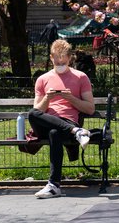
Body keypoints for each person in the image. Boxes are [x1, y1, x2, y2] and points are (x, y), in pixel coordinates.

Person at [28, 39, 94, 199]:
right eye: (57, 60)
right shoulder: (42, 79)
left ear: (70, 58)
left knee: (54, 133)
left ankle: (54, 185)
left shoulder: (81, 77)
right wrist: (48, 98)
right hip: (46, 122)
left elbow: (90, 109)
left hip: (66, 123)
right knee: (32, 113)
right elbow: (38, 110)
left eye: (63, 60)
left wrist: (70, 98)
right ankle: (77, 132)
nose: (60, 63)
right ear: (51, 58)